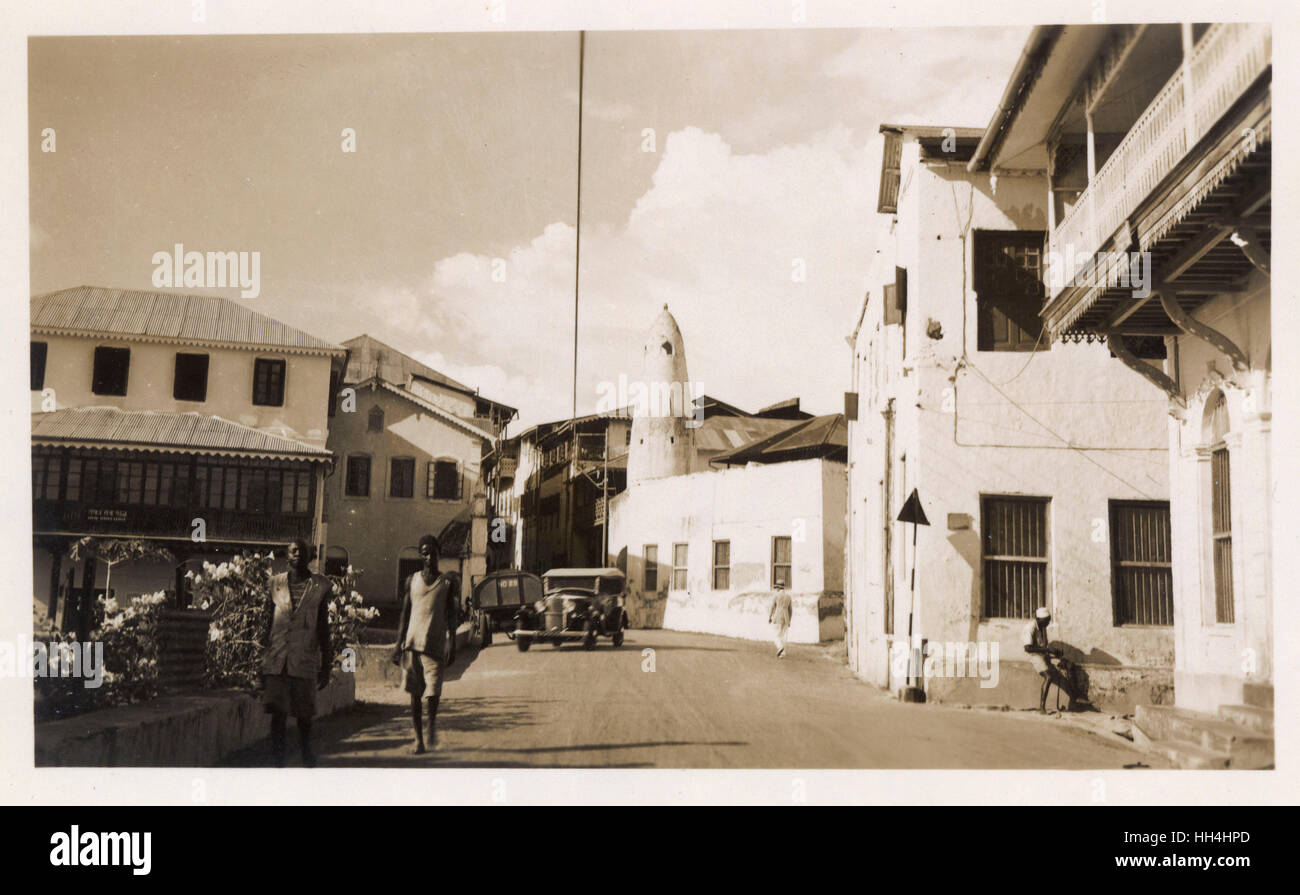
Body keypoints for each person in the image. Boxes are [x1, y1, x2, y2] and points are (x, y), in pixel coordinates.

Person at [262, 539, 333, 767]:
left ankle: (305, 754)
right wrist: (261, 657)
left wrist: (327, 663)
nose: (298, 555)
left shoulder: (319, 586)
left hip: (304, 657)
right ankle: (277, 760)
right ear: (287, 555)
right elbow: (266, 622)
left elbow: (323, 627)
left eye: (302, 551)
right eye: (293, 551)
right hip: (278, 658)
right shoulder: (275, 584)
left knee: (304, 714)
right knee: (278, 714)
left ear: (310, 556)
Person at [392, 535, 453, 753]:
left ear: (439, 552)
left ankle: (432, 724)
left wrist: (451, 643)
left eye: (432, 552)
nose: (429, 556)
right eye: (424, 552)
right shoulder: (412, 581)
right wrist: (397, 645)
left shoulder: (447, 582)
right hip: (412, 646)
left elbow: (451, 616)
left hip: (434, 647)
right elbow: (404, 615)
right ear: (421, 555)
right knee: (415, 695)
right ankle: (419, 739)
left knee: (433, 694)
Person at [1023, 607, 1077, 713]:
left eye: (1048, 620)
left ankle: (1075, 700)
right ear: (1038, 619)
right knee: (1049, 676)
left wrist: (1054, 652)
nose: (1047, 624)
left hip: (1043, 654)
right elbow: (1028, 648)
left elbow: (1044, 646)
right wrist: (1046, 650)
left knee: (1069, 665)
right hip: (1034, 655)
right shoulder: (1030, 628)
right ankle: (1042, 707)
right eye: (1046, 621)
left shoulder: (1043, 626)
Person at [769, 583, 792, 658]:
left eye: (776, 588)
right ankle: (782, 653)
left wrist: (769, 617)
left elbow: (772, 607)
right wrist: (789, 620)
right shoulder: (788, 596)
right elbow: (791, 610)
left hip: (777, 616)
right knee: (783, 636)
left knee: (775, 635)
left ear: (778, 588)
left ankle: (780, 647)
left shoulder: (776, 596)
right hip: (786, 618)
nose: (776, 589)